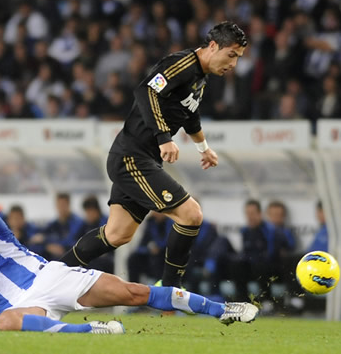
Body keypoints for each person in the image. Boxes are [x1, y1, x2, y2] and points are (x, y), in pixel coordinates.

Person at [0, 172, 258, 333]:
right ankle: (92, 331)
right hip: (17, 306)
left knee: (134, 293)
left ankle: (224, 309)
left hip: (47, 277)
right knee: (5, 323)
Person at [60, 21, 248, 288]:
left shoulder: (200, 78)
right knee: (191, 215)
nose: (234, 64)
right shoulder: (183, 63)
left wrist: (203, 148)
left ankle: (51, 274)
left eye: (238, 58)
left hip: (140, 158)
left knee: (117, 233)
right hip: (132, 157)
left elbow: (190, 115)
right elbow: (146, 90)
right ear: (213, 46)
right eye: (231, 55)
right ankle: (171, 290)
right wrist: (164, 138)